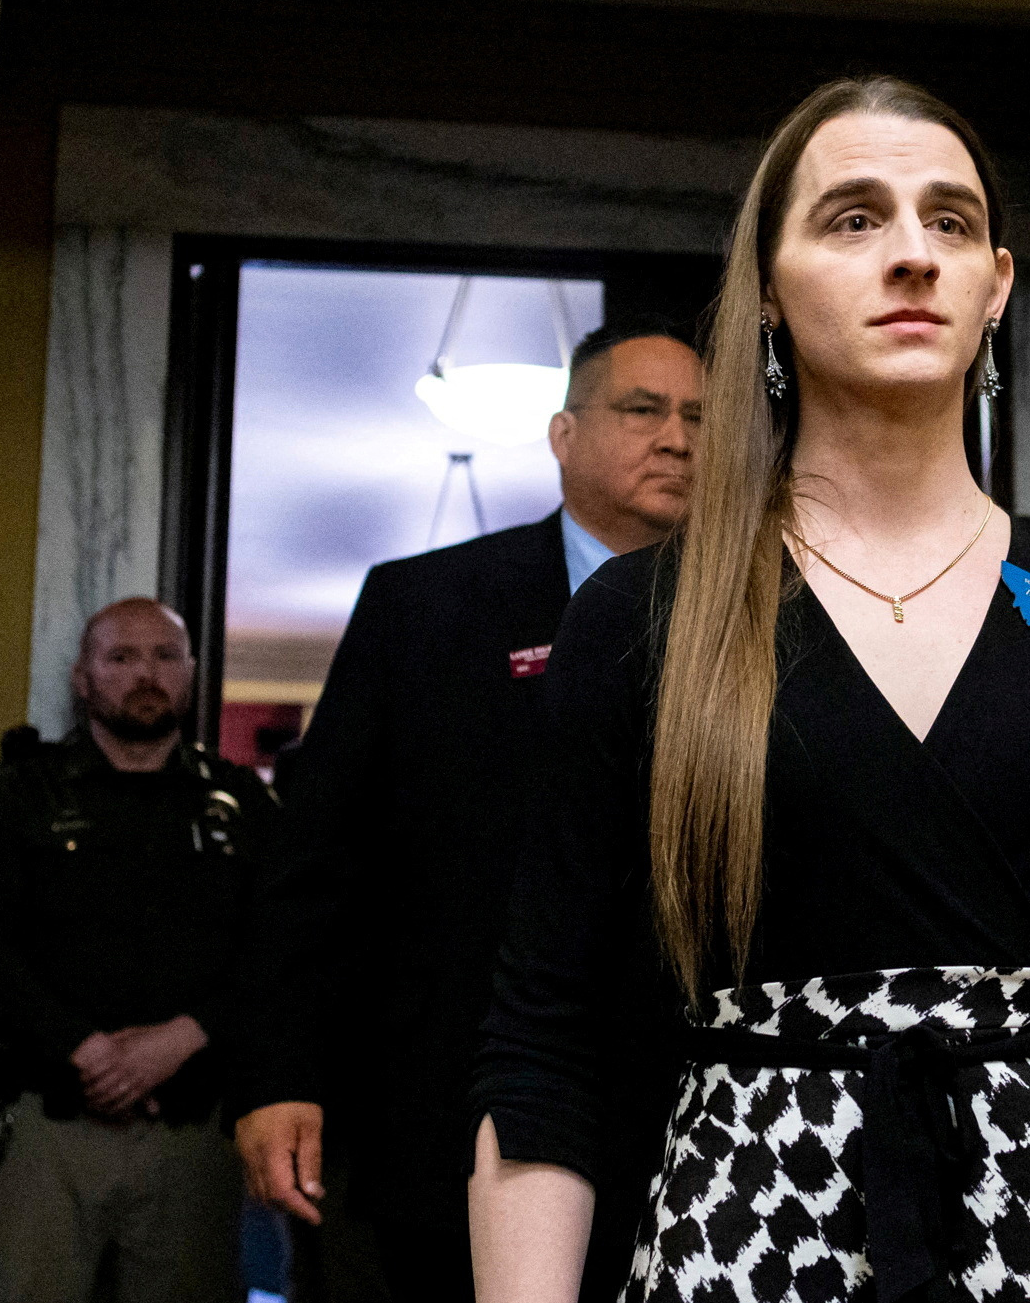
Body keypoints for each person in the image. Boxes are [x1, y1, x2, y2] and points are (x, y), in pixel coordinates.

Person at [469, 77, 1030, 1303]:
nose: (909, 256)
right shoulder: (641, 616)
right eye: (851, 219)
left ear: (994, 283)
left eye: (947, 222)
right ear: (767, 291)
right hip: (754, 1228)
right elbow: (544, 1038)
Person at [230, 324, 704, 1300]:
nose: (677, 437)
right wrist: (281, 1073)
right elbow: (314, 862)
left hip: (697, 1124)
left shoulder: (761, 617)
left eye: (699, 416)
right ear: (563, 435)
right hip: (450, 1111)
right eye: (642, 409)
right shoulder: (428, 607)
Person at [0, 598, 273, 1303]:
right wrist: (83, 1048)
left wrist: (184, 1036)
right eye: (120, 657)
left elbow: (279, 953)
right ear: (82, 678)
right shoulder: (19, 796)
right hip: (46, 1127)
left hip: (195, 1133)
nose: (143, 673)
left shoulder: (240, 804)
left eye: (162, 655)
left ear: (189, 672)